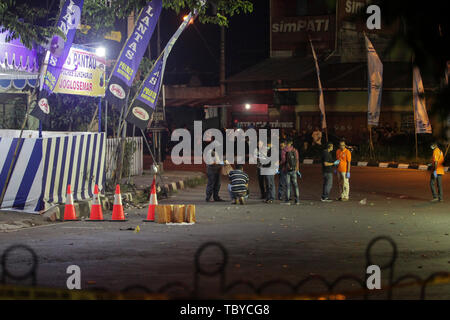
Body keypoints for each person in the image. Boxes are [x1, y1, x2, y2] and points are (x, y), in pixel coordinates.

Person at [280, 138, 300, 205]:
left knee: (288, 185)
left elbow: (283, 161)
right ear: (291, 143)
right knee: (295, 185)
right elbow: (297, 160)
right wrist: (297, 169)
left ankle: (287, 201)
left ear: (285, 143)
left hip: (286, 170)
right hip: (294, 169)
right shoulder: (295, 150)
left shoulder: (284, 150)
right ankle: (297, 200)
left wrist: (279, 165)